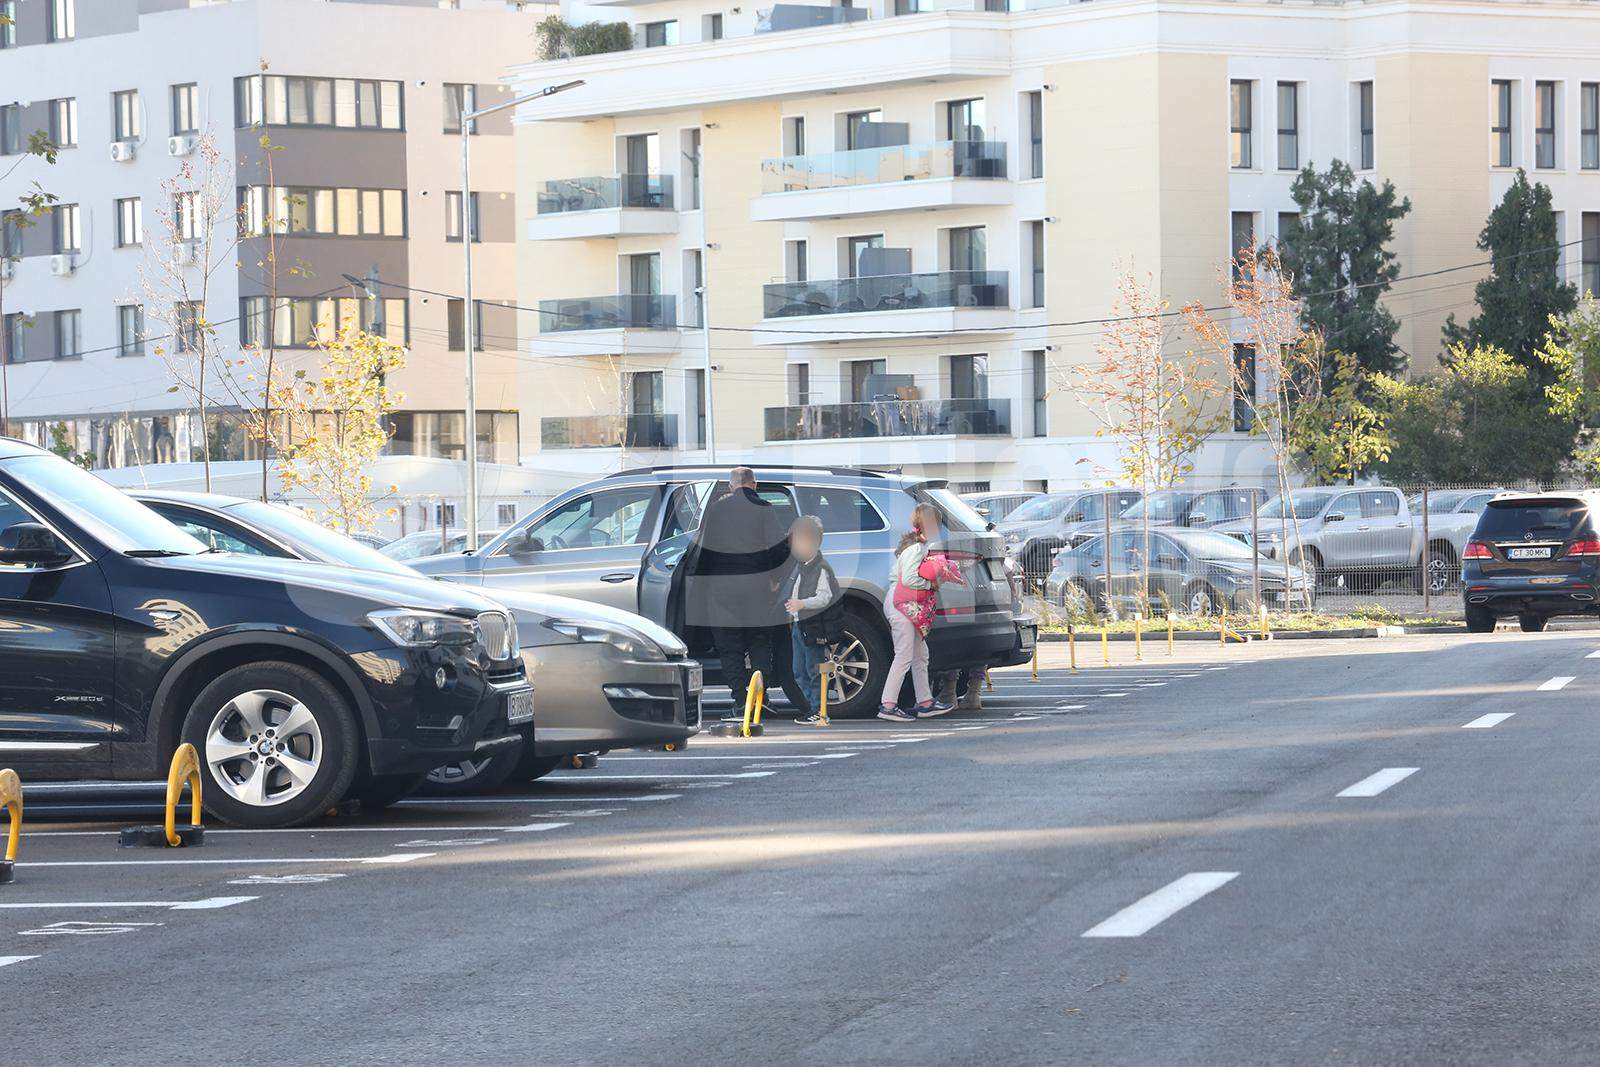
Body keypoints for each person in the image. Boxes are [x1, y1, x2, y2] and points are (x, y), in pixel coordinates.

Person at [681, 467, 792, 715]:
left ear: (731, 487)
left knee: (729, 647)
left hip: (722, 589)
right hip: (757, 587)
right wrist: (774, 578)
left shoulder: (716, 509)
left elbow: (704, 550)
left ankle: (741, 701)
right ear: (755, 485)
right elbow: (779, 548)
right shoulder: (765, 509)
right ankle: (761, 700)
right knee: (759, 642)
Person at [879, 502, 958, 722]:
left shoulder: (919, 547)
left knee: (919, 655)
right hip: (902, 603)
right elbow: (910, 579)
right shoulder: (916, 549)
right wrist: (931, 585)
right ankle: (888, 705)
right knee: (904, 654)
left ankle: (925, 702)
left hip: (904, 603)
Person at [782, 516, 843, 725]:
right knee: (798, 670)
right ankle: (812, 705)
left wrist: (802, 604)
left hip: (814, 627)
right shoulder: (802, 567)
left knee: (814, 668)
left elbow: (824, 597)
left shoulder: (821, 568)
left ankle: (819, 707)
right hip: (800, 625)